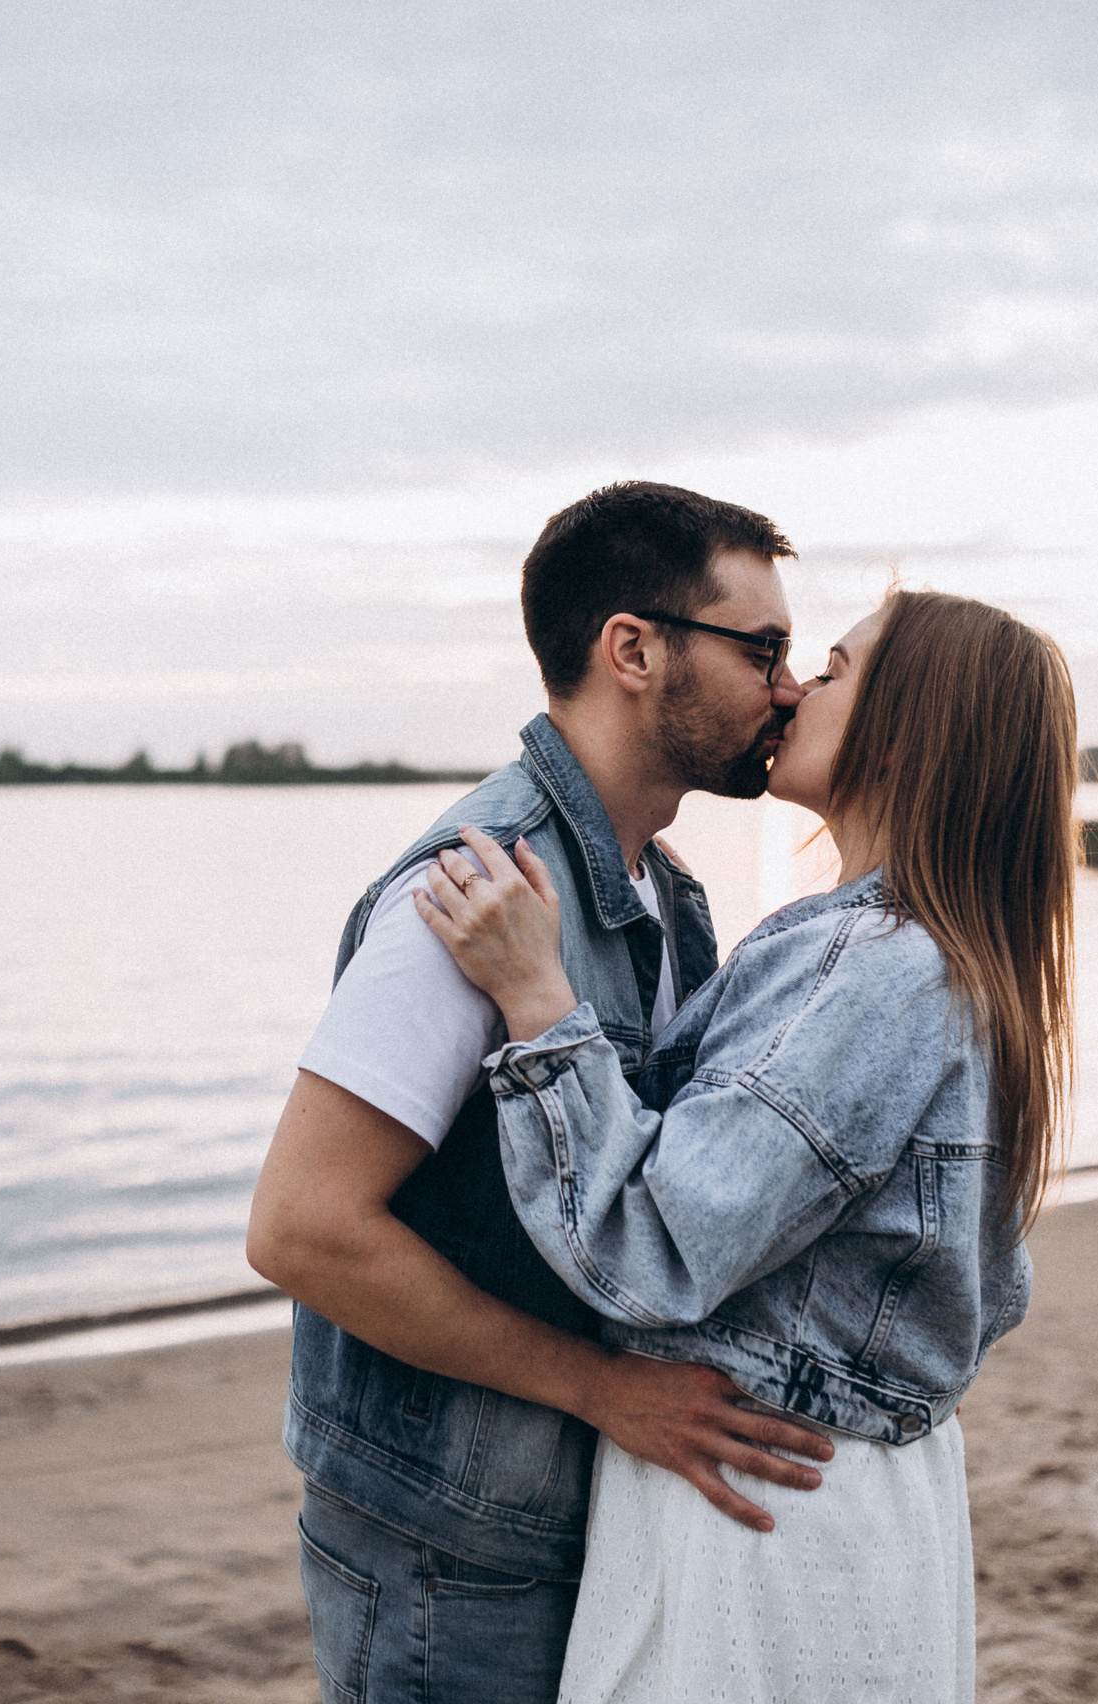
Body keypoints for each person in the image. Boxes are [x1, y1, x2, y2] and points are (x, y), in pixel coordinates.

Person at [416, 589, 1077, 1702]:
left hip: (760, 1504)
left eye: (832, 667)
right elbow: (982, 1288)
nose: (792, 689)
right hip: (850, 1493)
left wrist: (538, 999)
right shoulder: (950, 958)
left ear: (911, 728)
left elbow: (648, 1250)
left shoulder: (872, 968)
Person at [246, 483, 840, 1704]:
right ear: (634, 649)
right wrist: (603, 1390)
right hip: (443, 1548)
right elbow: (302, 1228)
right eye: (762, 648)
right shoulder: (466, 893)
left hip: (559, 1515)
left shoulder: (664, 895)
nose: (784, 686)